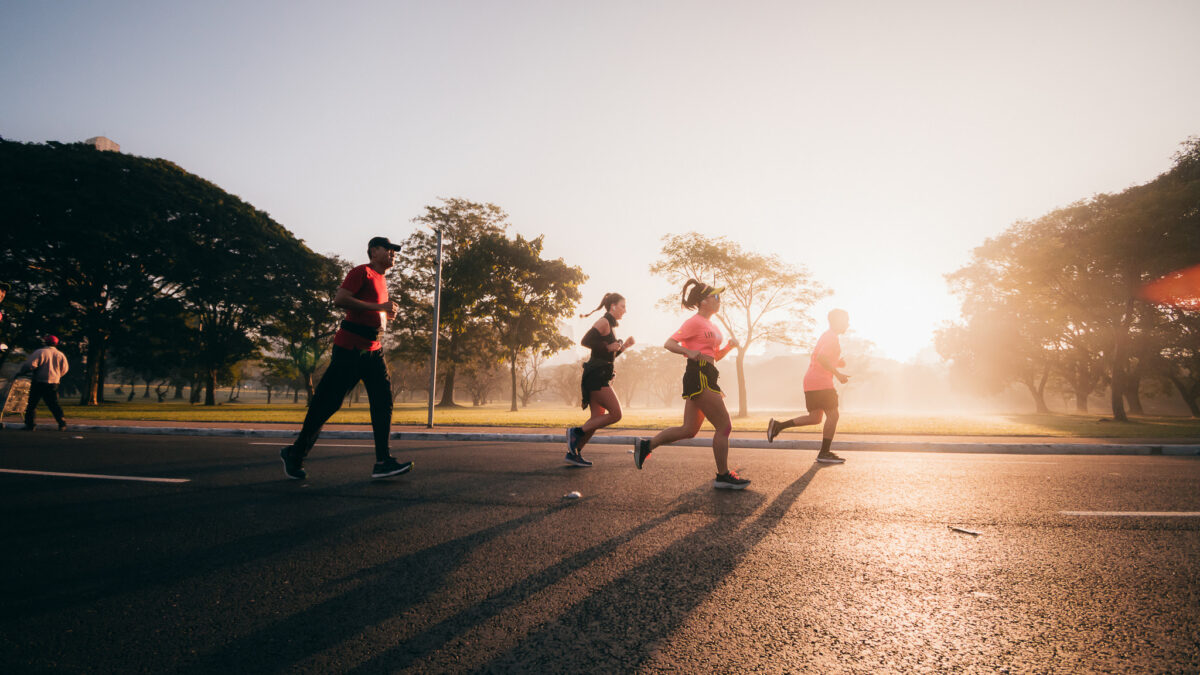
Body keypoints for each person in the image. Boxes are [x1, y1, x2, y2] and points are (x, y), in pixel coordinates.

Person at [279, 236, 413, 481]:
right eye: (389, 249)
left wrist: (385, 315)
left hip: (374, 350)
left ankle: (383, 461)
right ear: (374, 251)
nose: (393, 253)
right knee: (327, 404)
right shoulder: (361, 272)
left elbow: (373, 310)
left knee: (383, 402)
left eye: (395, 251)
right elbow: (340, 299)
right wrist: (378, 308)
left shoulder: (382, 279)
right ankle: (295, 453)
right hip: (350, 349)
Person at [633, 279, 750, 489]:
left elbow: (713, 356)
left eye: (719, 297)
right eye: (715, 297)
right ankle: (723, 476)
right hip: (698, 375)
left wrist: (729, 348)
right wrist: (688, 352)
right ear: (703, 301)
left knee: (689, 430)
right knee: (724, 426)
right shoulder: (693, 322)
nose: (719, 300)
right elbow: (669, 343)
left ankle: (646, 445)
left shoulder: (712, 325)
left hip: (709, 373)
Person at [766, 308, 851, 463]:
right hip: (821, 382)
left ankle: (778, 426)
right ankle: (824, 453)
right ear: (838, 321)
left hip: (812, 381)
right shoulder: (832, 338)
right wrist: (838, 374)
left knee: (815, 418)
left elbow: (821, 359)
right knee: (833, 415)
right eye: (846, 320)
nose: (848, 324)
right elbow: (821, 358)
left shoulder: (827, 336)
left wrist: (837, 363)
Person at [565, 293, 635, 466]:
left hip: (599, 375)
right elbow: (585, 340)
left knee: (597, 418)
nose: (625, 310)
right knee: (616, 414)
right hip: (596, 377)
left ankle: (574, 453)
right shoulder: (604, 322)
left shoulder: (610, 327)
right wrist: (607, 345)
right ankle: (576, 432)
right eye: (622, 306)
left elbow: (607, 356)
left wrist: (624, 346)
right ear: (612, 306)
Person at [17, 335, 69, 431]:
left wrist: (22, 372)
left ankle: (30, 424)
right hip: (53, 383)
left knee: (32, 404)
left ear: (45, 342)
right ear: (56, 344)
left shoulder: (40, 352)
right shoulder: (60, 354)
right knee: (54, 404)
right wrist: (57, 376)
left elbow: (30, 365)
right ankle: (62, 423)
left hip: (39, 381)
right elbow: (65, 369)